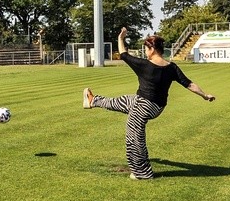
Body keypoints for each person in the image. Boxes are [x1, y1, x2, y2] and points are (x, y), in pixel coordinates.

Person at [83, 27, 215, 180]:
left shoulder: (145, 65)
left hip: (144, 105)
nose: (145, 52)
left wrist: (121, 38)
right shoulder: (172, 67)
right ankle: (93, 101)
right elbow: (189, 84)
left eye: (146, 49)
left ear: (152, 49)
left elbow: (124, 54)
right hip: (156, 107)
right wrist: (205, 95)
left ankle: (143, 172)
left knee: (134, 136)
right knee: (123, 101)